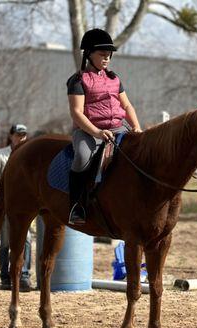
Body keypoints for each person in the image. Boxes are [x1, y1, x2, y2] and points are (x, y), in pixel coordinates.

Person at [67, 28, 142, 225]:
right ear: (89, 54)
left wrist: (136, 127)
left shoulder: (114, 78)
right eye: (102, 54)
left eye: (109, 55)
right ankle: (76, 205)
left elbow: (126, 105)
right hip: (88, 131)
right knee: (83, 157)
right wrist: (97, 132)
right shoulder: (78, 80)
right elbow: (77, 112)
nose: (107, 58)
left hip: (118, 127)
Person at [0, 124, 32, 291]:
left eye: (24, 135)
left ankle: (24, 275)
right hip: (6, 203)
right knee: (5, 241)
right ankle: (5, 276)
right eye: (18, 135)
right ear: (11, 136)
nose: (21, 138)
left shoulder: (29, 153)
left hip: (25, 204)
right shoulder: (2, 155)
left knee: (27, 239)